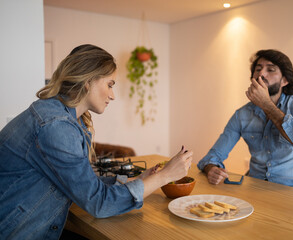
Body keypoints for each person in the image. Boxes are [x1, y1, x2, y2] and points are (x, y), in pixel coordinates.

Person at [0, 44, 193, 240]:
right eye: (110, 85)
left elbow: (82, 182)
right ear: (88, 80)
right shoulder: (56, 127)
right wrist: (165, 176)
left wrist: (138, 181)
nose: (112, 95)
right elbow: (98, 203)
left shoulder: (61, 116)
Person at [197, 49, 293, 193]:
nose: (261, 74)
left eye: (271, 69)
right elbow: (213, 156)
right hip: (257, 190)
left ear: (285, 80)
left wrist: (266, 105)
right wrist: (211, 168)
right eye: (258, 69)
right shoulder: (242, 115)